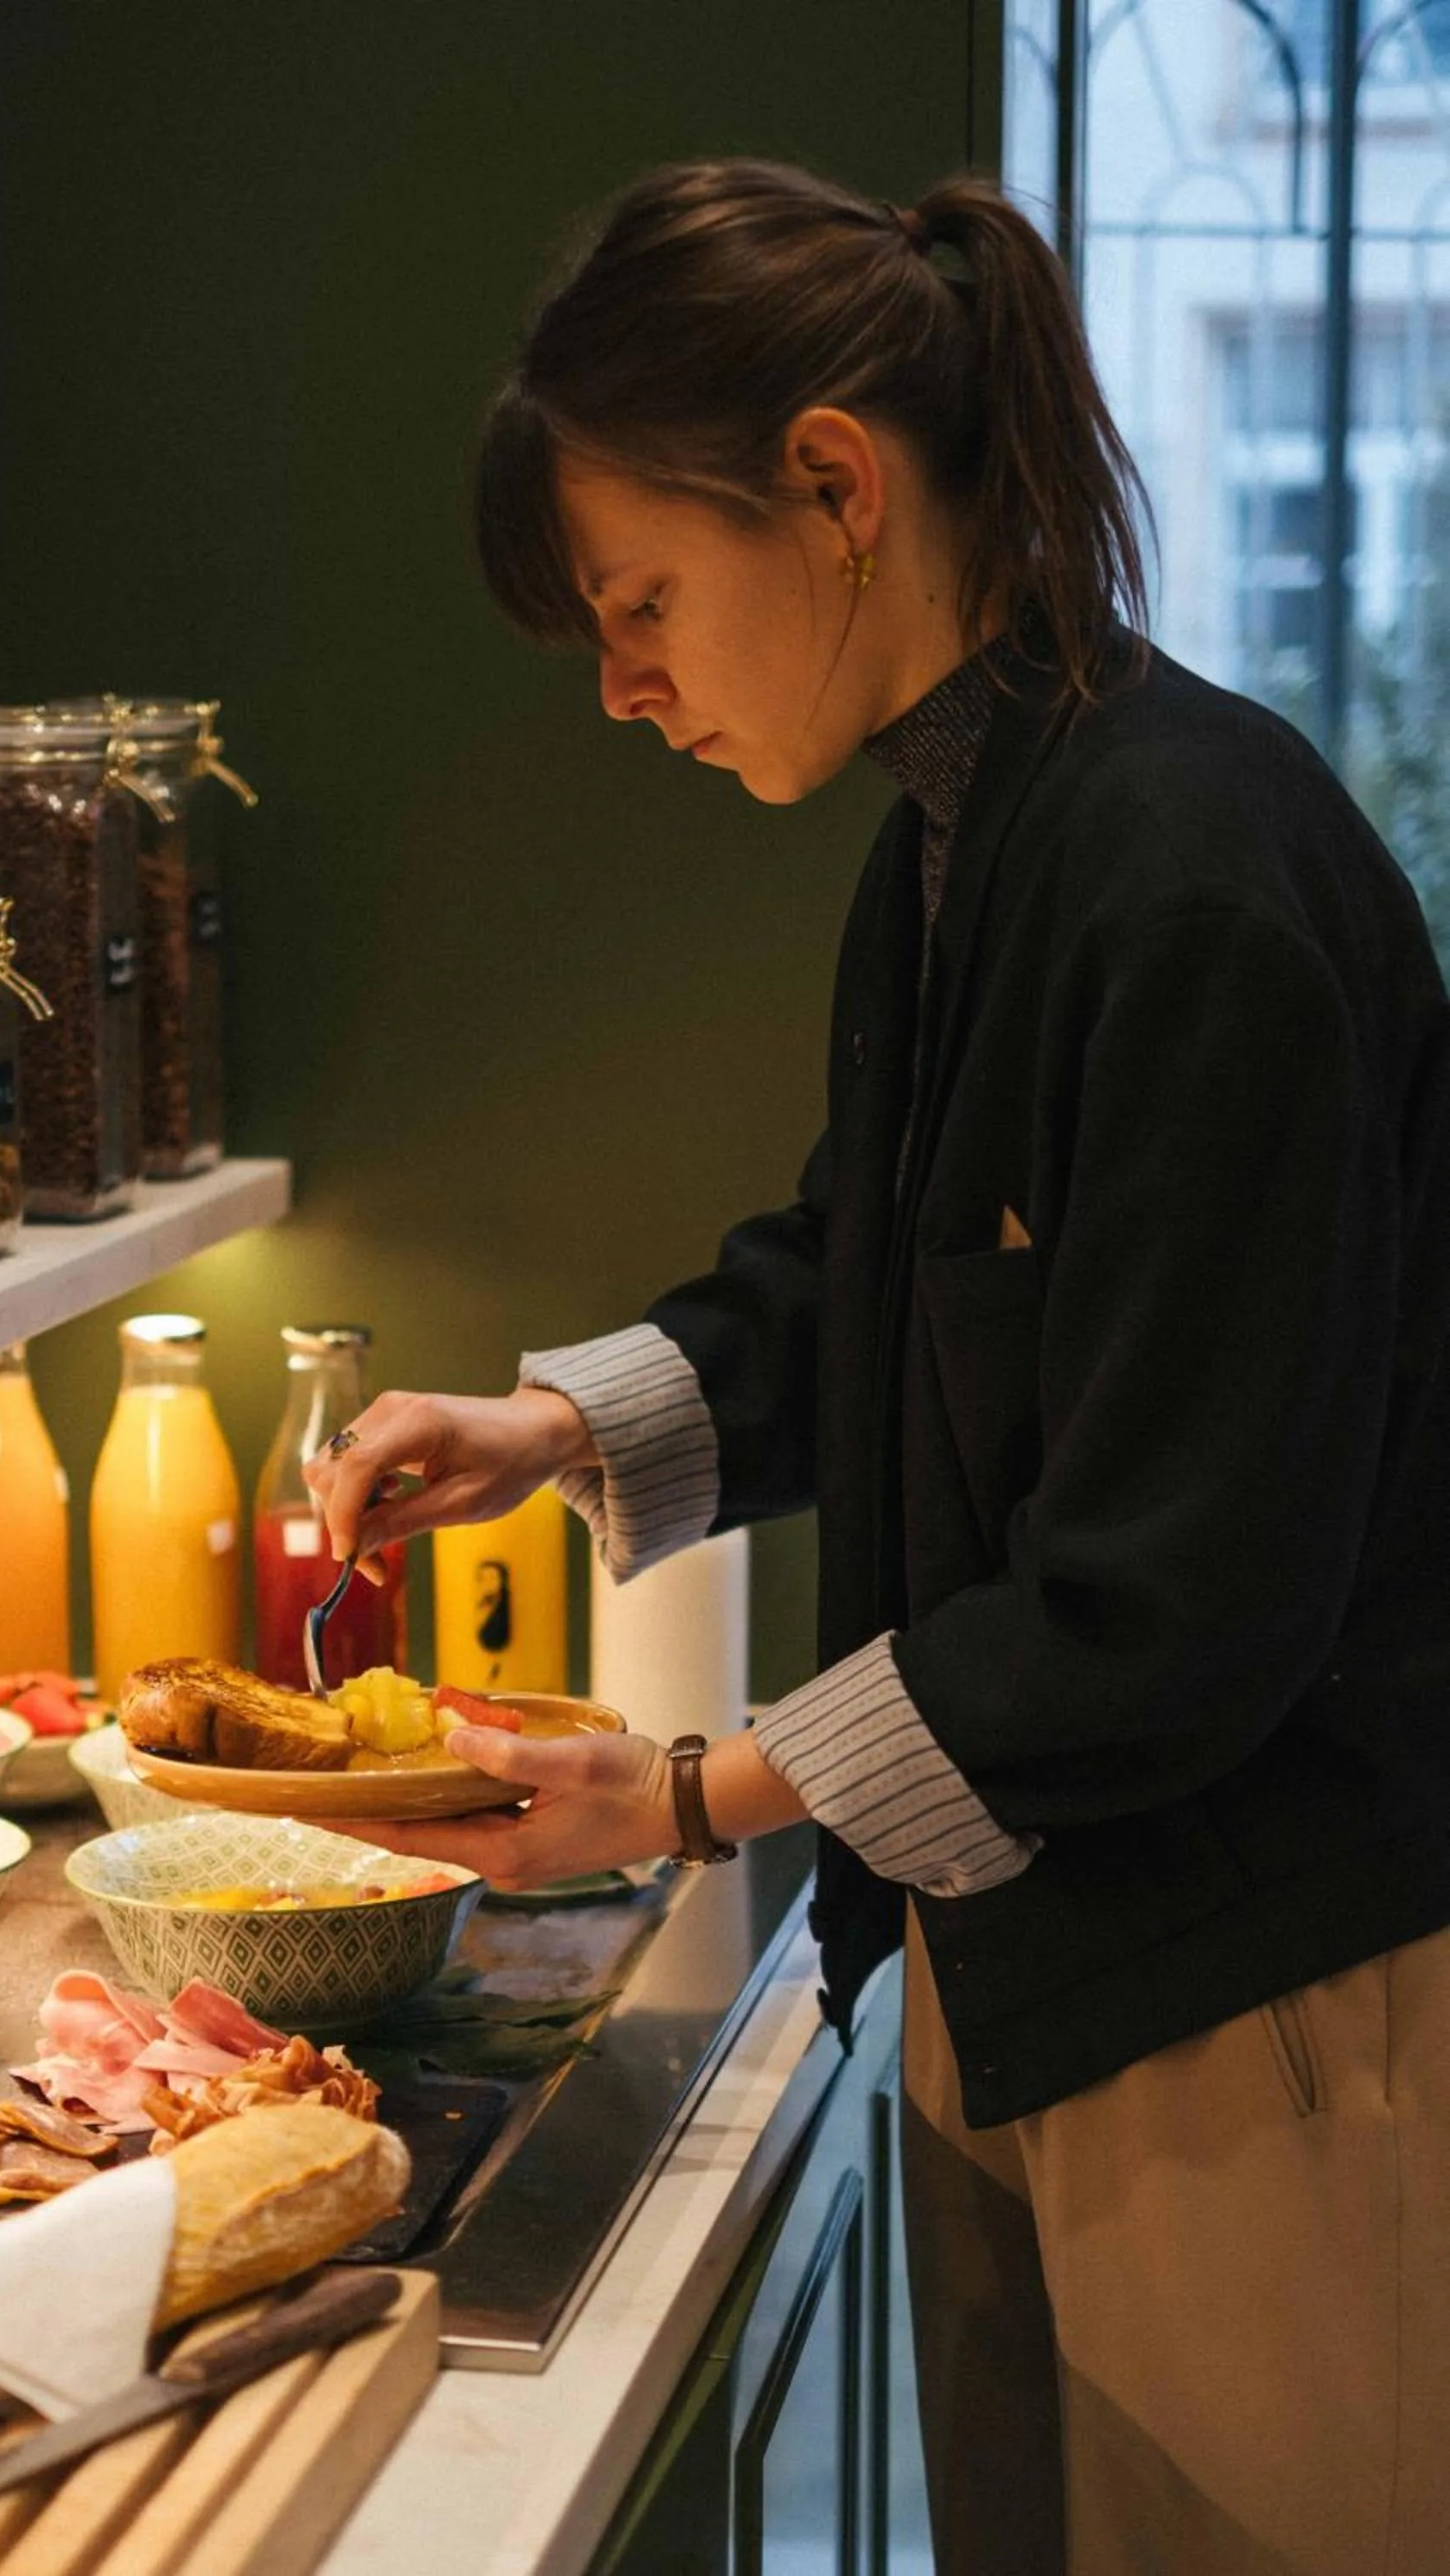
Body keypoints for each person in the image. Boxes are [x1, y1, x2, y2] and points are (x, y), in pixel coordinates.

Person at [306, 161, 1450, 2576]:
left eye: (640, 603)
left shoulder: (1187, 877)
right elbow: (876, 1273)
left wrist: (686, 1792)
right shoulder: (963, 829)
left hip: (1257, 1993)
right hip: (1027, 1945)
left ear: (833, 487)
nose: (622, 688)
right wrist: (546, 1428)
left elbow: (1171, 1603)